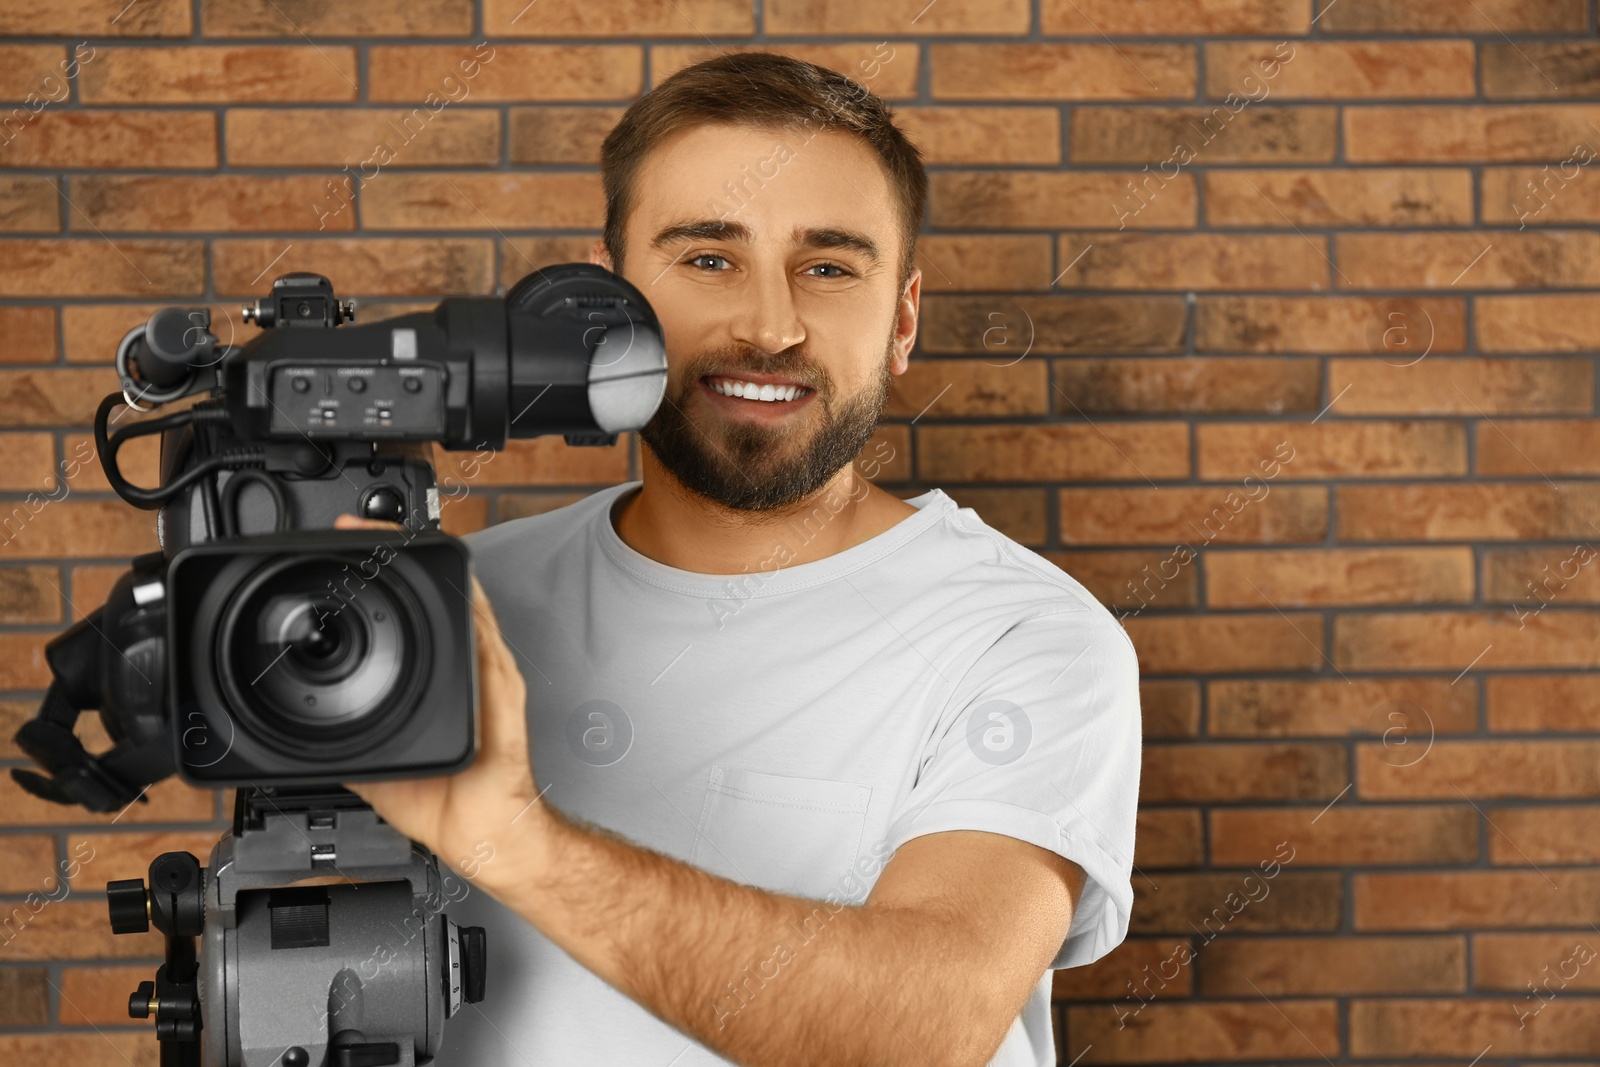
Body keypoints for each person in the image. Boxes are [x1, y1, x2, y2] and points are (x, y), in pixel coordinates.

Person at [335, 50, 1142, 1067]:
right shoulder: (451, 604)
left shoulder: (1024, 635)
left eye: (830, 265)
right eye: (708, 257)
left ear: (902, 319)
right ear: (608, 296)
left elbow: (929, 1025)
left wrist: (518, 842)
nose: (770, 324)